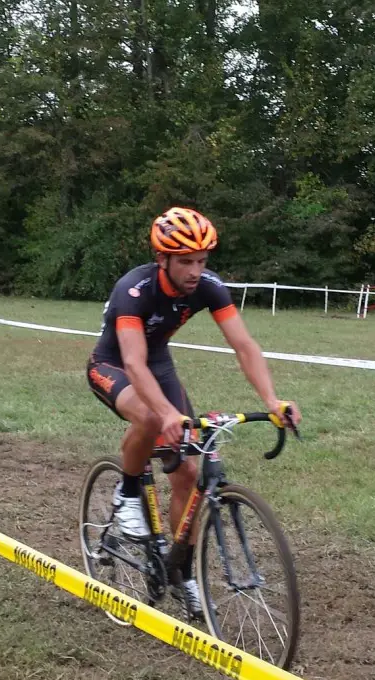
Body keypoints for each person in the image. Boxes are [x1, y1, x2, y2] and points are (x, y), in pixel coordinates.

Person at [87, 206, 301, 617]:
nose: (195, 271)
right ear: (162, 259)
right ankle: (128, 493)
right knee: (152, 418)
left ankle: (181, 571)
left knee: (187, 470)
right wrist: (167, 413)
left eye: (202, 261)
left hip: (159, 363)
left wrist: (272, 401)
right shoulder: (134, 289)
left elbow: (244, 345)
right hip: (113, 364)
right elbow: (133, 363)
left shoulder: (209, 287)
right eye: (185, 261)